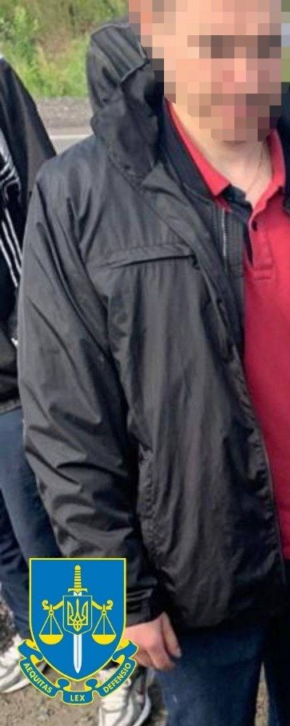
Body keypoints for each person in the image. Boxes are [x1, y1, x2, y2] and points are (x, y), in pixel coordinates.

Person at [18, 1, 290, 724]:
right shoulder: (77, 196)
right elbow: (65, 421)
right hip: (195, 579)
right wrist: (119, 595)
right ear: (156, 35)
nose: (245, 76)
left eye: (262, 46)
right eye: (216, 48)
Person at [0, 54, 65, 696]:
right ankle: (38, 637)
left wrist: (35, 332)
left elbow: (43, 197)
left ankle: (100, 664)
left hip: (15, 371)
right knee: (3, 535)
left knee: (50, 528)